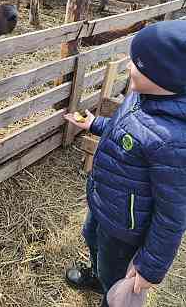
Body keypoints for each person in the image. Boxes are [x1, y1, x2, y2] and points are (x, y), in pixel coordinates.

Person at [63, 20, 186, 307]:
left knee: (114, 269)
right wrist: (95, 123)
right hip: (106, 204)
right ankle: (97, 275)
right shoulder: (141, 97)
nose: (129, 65)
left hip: (125, 227)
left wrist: (149, 268)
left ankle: (109, 293)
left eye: (138, 63)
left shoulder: (173, 140)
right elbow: (126, 133)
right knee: (90, 237)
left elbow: (173, 214)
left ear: (164, 76)